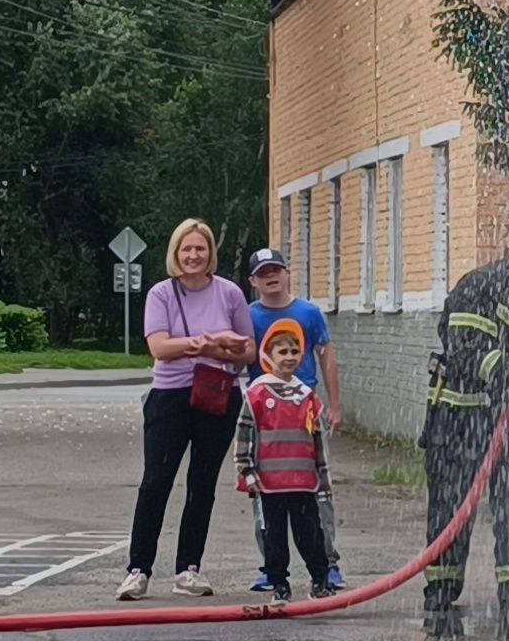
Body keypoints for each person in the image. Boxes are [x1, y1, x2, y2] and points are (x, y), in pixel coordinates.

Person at [419, 219, 509, 627]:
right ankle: (442, 589)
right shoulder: (479, 285)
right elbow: (464, 345)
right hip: (459, 416)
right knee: (451, 505)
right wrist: (506, 370)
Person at [118, 218, 256, 601]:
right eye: (186, 249)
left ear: (210, 253)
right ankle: (138, 570)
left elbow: (248, 351)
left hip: (218, 396)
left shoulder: (229, 293)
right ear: (175, 253)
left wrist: (206, 347)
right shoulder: (161, 294)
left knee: (202, 485)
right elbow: (160, 348)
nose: (193, 255)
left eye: (201, 248)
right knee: (155, 483)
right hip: (171, 397)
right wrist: (212, 344)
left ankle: (188, 570)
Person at [244, 248, 346, 593]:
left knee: (317, 492)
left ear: (288, 273)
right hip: (266, 419)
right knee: (265, 498)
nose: (271, 276)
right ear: (253, 281)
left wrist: (334, 405)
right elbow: (239, 356)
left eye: (277, 269)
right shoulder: (248, 315)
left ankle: (328, 565)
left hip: (305, 414)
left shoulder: (309, 312)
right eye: (263, 272)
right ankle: (272, 570)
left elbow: (327, 356)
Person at [234, 319, 337, 602]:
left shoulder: (308, 397)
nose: (289, 357)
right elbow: (245, 437)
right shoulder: (257, 395)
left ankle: (320, 579)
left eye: (295, 351)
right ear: (268, 356)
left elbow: (319, 443)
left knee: (311, 535)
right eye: (282, 352)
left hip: (303, 482)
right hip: (270, 484)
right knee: (274, 537)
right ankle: (279, 583)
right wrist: (247, 473)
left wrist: (324, 481)